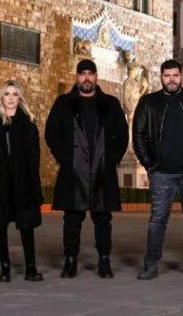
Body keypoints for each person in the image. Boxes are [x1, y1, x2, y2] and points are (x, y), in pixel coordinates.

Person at [45, 59, 129, 278]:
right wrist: (65, 159)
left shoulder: (110, 103)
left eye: (90, 73)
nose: (86, 78)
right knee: (72, 220)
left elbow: (122, 135)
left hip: (102, 171)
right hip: (74, 172)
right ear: (77, 77)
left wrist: (111, 160)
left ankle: (104, 261)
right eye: (82, 73)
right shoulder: (63, 103)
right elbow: (51, 134)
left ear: (96, 77)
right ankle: (70, 261)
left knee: (103, 219)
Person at [133, 60, 183, 280]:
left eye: (175, 75)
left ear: (181, 76)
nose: (171, 80)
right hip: (161, 172)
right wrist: (149, 164)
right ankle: (150, 265)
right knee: (157, 219)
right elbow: (138, 134)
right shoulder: (148, 103)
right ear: (161, 77)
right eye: (167, 75)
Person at [0, 80, 44, 282]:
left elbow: (35, 155)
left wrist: (33, 180)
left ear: (20, 98)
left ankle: (31, 268)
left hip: (23, 180)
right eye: (7, 93)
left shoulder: (28, 123)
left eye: (15, 94)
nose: (10, 98)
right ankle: (5, 267)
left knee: (26, 224)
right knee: (0, 224)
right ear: (1, 96)